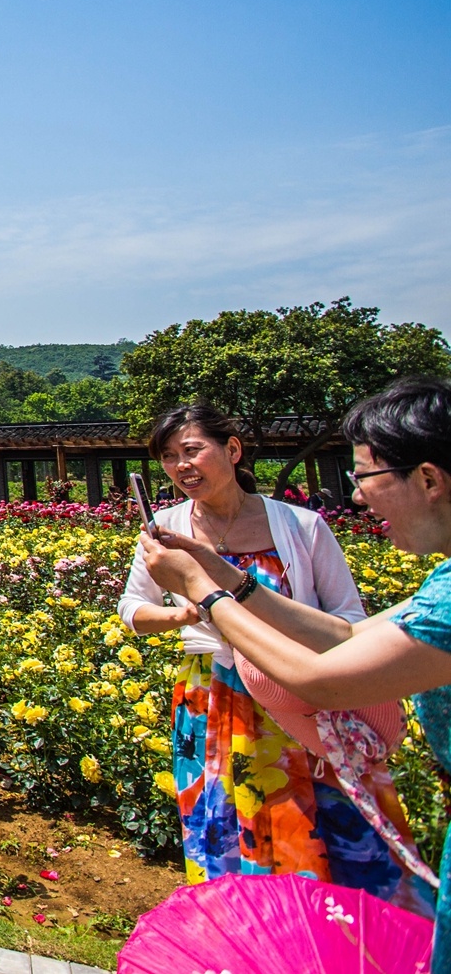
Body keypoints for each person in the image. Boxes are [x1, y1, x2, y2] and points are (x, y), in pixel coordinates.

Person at [141, 378, 451, 956]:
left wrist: (206, 594)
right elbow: (348, 636)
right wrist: (227, 579)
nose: (356, 497)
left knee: (332, 850)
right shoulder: (441, 585)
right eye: (168, 456)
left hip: (304, 714)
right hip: (218, 704)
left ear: (429, 479)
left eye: (364, 478)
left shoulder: (305, 528)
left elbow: (319, 676)